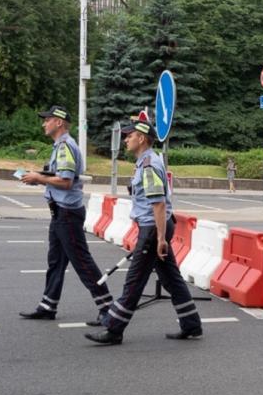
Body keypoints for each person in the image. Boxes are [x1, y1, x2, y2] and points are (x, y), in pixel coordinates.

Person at [85, 118, 203, 346]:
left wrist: (159, 238)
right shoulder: (146, 162)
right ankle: (191, 324)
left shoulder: (148, 164)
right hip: (155, 227)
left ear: (141, 138)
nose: (126, 139)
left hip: (152, 229)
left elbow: (157, 204)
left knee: (134, 280)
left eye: (130, 135)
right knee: (171, 278)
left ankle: (114, 328)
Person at [19, 106, 114, 325]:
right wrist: (38, 177)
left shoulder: (65, 147)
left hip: (68, 214)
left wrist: (39, 179)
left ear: (59, 122)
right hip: (60, 213)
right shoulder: (60, 147)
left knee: (82, 262)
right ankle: (47, 305)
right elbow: (59, 176)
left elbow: (66, 181)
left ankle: (107, 307)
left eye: (47, 120)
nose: (44, 123)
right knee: (56, 261)